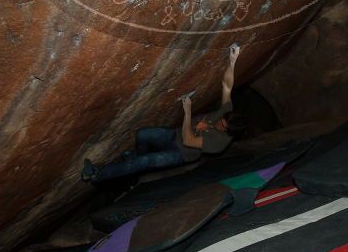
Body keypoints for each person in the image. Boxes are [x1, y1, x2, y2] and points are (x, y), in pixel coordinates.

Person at [81, 45, 245, 182]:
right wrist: (233, 61)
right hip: (174, 135)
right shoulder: (226, 113)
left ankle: (96, 174)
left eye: (222, 126)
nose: (218, 123)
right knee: (143, 135)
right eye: (221, 120)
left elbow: (188, 140)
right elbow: (227, 86)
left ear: (228, 131)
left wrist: (187, 111)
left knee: (147, 161)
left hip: (180, 153)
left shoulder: (219, 143)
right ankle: (134, 165)